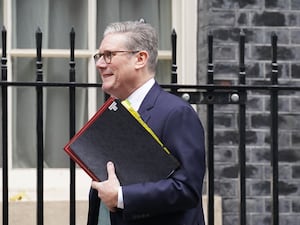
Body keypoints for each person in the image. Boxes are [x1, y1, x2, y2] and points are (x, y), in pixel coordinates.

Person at [88, 20, 206, 225]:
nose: (99, 63)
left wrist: (121, 196)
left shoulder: (177, 113)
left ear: (140, 58)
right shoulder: (113, 114)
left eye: (109, 55)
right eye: (99, 56)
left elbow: (187, 189)